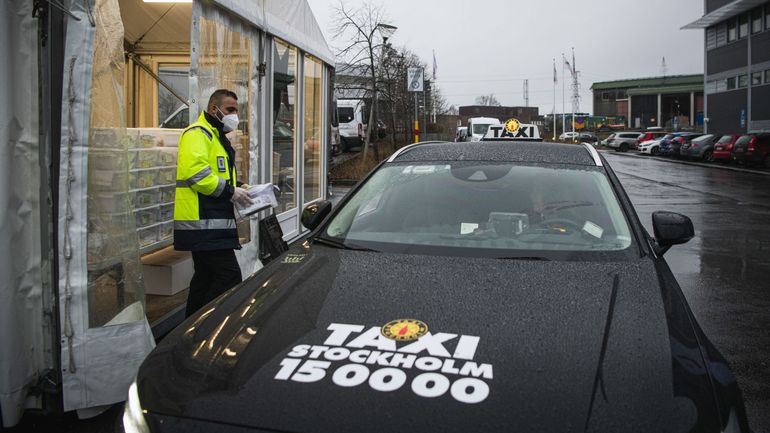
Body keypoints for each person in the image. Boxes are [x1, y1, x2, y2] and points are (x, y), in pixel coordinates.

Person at [173, 89, 253, 317]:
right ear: (213, 109)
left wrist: (240, 186)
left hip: (212, 224)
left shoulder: (215, 136)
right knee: (228, 277)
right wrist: (231, 191)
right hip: (203, 223)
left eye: (236, 110)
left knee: (205, 279)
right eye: (230, 110)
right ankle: (206, 326)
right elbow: (196, 174)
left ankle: (190, 327)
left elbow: (218, 173)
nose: (234, 115)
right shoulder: (198, 134)